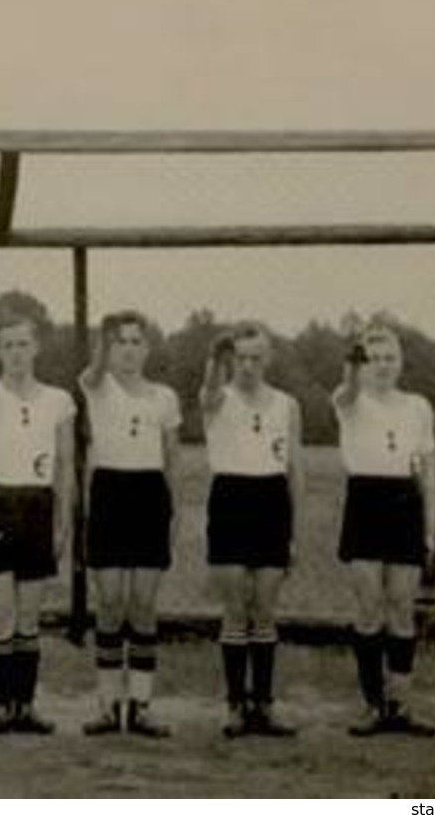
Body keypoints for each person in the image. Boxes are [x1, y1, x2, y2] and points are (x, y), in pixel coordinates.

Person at [0, 315, 74, 736]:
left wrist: (63, 521)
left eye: (21, 344)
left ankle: (25, 707)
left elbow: (65, 466)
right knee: (1, 615)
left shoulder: (58, 399)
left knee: (30, 617)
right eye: (6, 346)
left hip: (38, 504)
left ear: (35, 348)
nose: (14, 353)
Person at [78, 310, 180, 738]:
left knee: (142, 605)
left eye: (136, 341)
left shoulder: (164, 397)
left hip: (149, 494)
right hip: (108, 492)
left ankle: (140, 705)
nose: (128, 350)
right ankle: (107, 704)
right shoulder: (97, 386)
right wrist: (105, 335)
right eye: (120, 342)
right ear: (108, 347)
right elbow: (94, 368)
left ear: (148, 348)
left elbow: (172, 460)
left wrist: (174, 512)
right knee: (111, 603)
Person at [333, 325, 435, 737]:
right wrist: (351, 363)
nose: (383, 366)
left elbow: (428, 474)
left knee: (401, 608)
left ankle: (401, 705)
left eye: (390, 358)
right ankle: (372, 705)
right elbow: (344, 390)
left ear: (401, 362)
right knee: (369, 607)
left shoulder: (418, 407)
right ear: (362, 364)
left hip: (404, 505)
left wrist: (430, 529)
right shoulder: (349, 400)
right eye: (374, 359)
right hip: (365, 501)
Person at [201, 323, 303, 737]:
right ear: (230, 360)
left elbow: (295, 468)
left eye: (255, 357)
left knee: (264, 609)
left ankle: (264, 705)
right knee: (234, 609)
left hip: (271, 500)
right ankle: (233, 706)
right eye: (240, 358)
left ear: (268, 358)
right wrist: (214, 358)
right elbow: (208, 390)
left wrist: (294, 529)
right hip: (230, 497)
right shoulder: (217, 398)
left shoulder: (287, 404)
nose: (248, 365)